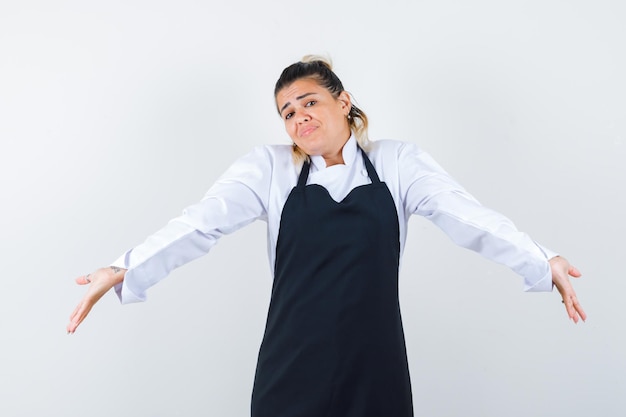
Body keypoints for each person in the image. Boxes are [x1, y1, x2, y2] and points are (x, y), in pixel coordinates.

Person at [67, 55, 586, 417]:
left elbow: (467, 217)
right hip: (291, 368)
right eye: (288, 112)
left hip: (375, 367)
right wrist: (124, 267)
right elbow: (201, 223)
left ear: (344, 101)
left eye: (309, 101)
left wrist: (543, 260)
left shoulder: (397, 163)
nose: (299, 117)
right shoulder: (267, 171)